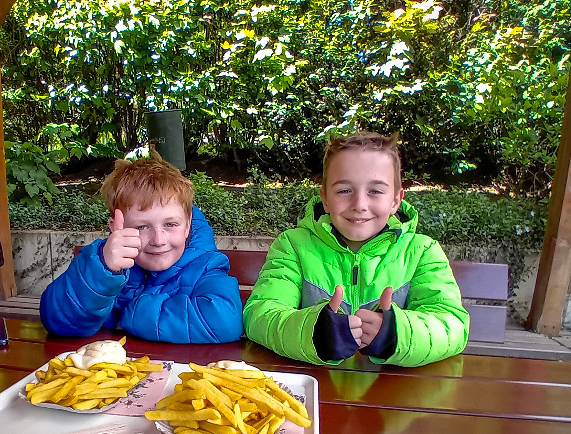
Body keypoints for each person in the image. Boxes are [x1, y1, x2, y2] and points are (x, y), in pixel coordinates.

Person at [243, 131, 469, 367]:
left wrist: (396, 333)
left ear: (395, 200)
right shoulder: (292, 246)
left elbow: (452, 324)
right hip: (314, 389)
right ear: (325, 198)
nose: (360, 205)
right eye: (344, 191)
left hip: (395, 394)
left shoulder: (422, 251)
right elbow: (259, 315)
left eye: (375, 191)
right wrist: (313, 332)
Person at [40, 155, 244, 343]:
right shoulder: (101, 261)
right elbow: (58, 320)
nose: (158, 239)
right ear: (115, 228)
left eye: (170, 224)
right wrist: (103, 271)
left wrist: (130, 313)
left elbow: (224, 322)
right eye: (141, 227)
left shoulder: (207, 266)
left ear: (188, 225)